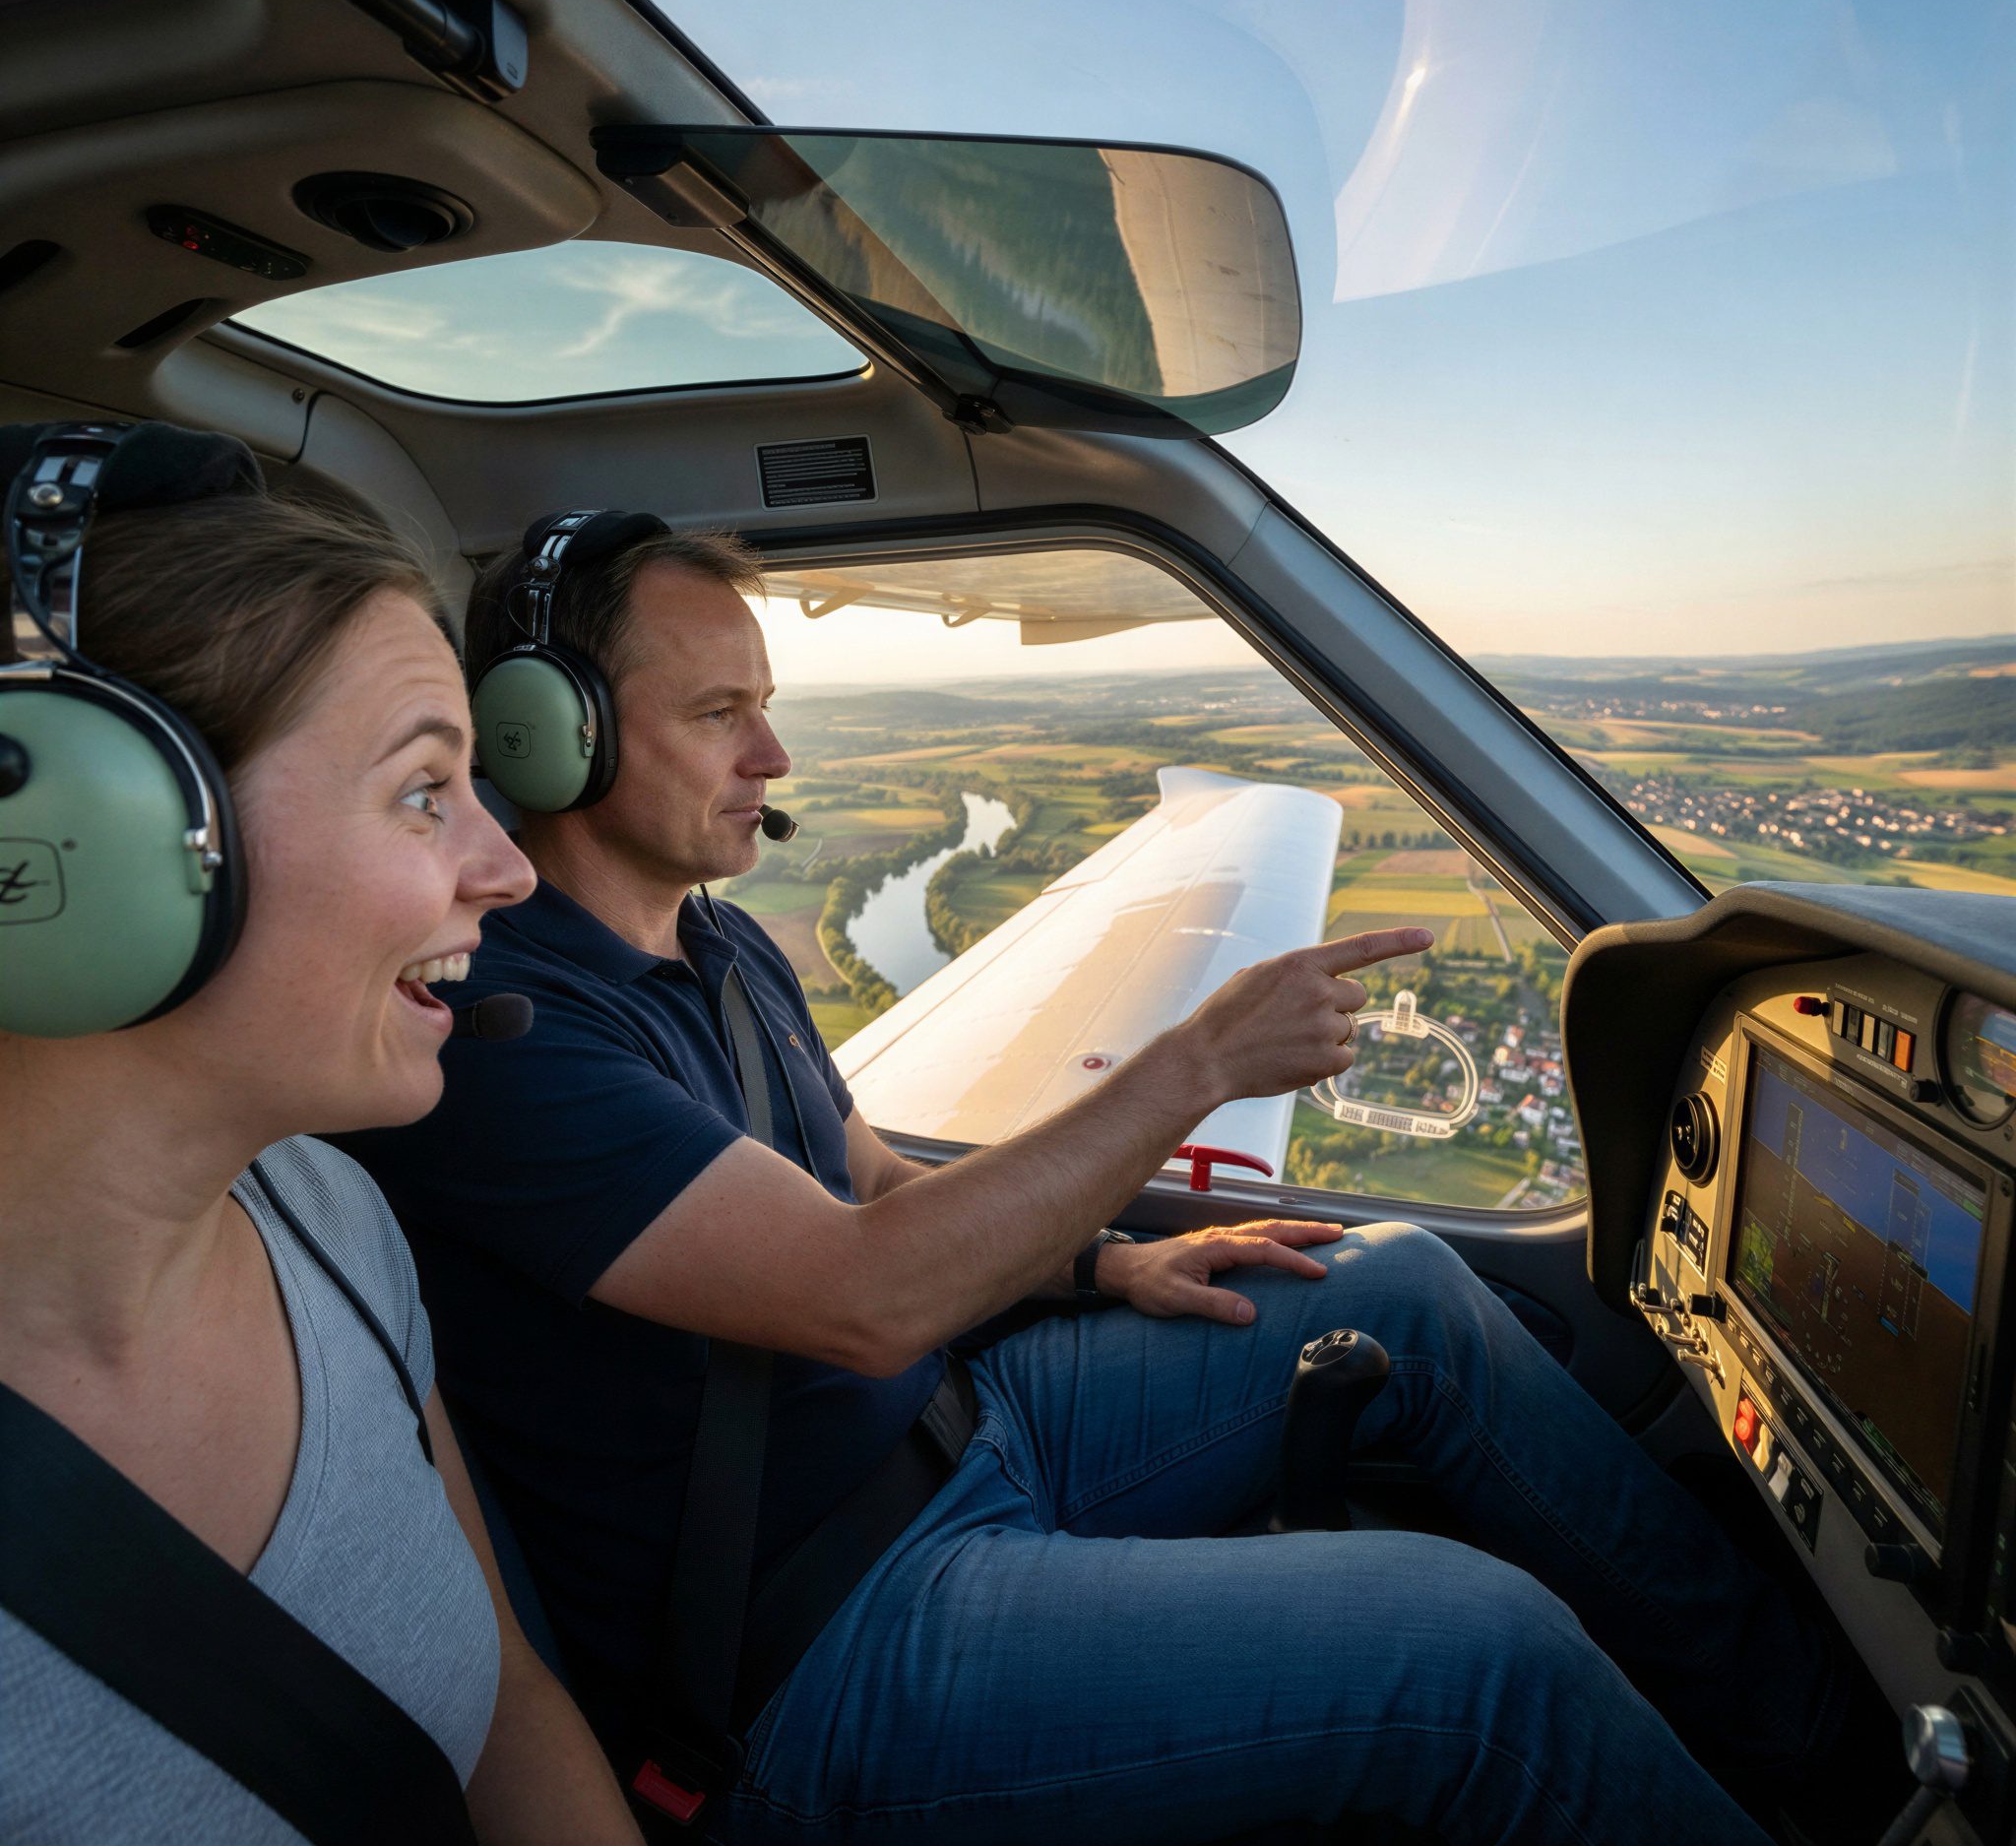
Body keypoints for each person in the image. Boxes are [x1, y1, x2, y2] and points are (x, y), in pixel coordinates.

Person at [342, 513, 1868, 1846]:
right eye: (722, 712)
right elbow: (864, 1294)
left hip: (961, 1435)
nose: (775, 758)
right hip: (816, 1648)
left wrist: (1103, 1264)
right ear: (558, 735)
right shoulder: (503, 1037)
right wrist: (1198, 1061)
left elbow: (866, 1180)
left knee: (1404, 1284)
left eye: (771, 706)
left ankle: (1834, 1758)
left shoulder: (714, 945)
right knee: (1472, 1652)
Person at [0, 425, 642, 1844]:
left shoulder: (330, 1220)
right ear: (90, 838)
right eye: (424, 789)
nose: (508, 866)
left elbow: (508, 1714)